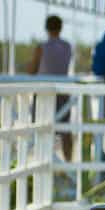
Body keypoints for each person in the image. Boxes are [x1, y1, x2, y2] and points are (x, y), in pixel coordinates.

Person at [30, 14, 73, 160]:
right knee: (65, 131)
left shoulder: (41, 47)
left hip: (44, 93)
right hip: (63, 92)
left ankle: (42, 161)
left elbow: (32, 70)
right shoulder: (67, 46)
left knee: (41, 129)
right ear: (61, 28)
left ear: (46, 28)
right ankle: (69, 165)